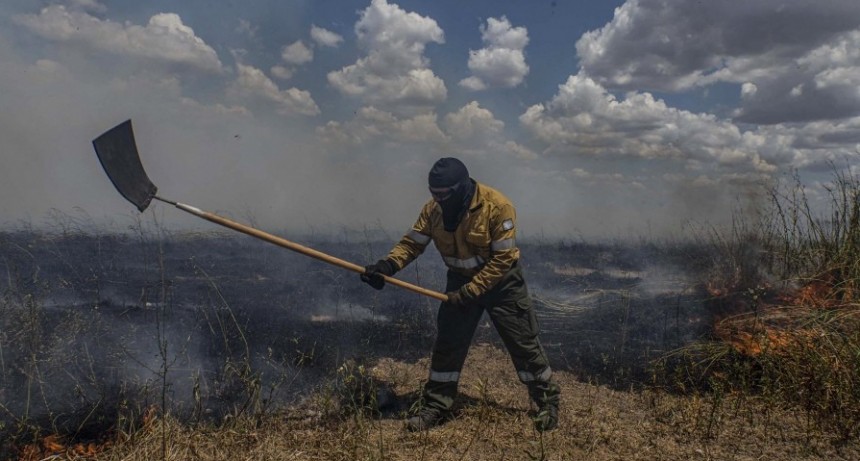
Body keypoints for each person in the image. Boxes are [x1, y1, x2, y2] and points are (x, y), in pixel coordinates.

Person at [360, 157, 560, 432]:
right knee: (448, 345)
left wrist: (471, 291)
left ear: (461, 188)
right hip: (460, 281)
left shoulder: (497, 206)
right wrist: (387, 266)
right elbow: (412, 244)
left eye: (443, 194)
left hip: (502, 284)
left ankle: (548, 403)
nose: (438, 200)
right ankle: (436, 404)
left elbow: (502, 260)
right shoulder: (433, 210)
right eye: (433, 193)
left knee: (523, 343)